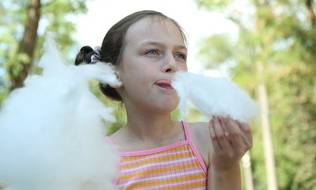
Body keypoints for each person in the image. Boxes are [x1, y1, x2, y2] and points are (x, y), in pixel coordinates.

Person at [75, 10, 253, 189]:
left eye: (180, 55)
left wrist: (226, 166)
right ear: (114, 74)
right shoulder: (99, 162)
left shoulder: (208, 140)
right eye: (153, 51)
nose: (172, 64)